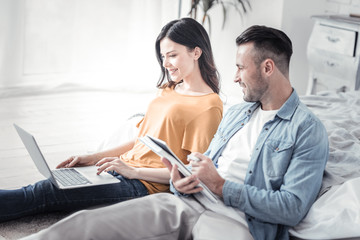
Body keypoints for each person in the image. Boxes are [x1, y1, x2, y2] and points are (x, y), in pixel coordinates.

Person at [21, 25, 329, 240]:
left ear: (267, 68)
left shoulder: (307, 130)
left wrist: (221, 187)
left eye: (240, 68)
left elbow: (291, 208)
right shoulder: (237, 113)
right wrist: (182, 178)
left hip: (240, 222)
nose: (234, 78)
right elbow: (203, 167)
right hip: (186, 201)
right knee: (81, 226)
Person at [0, 18, 223, 222]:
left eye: (172, 55)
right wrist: (92, 158)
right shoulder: (169, 89)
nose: (165, 64)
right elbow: (143, 140)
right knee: (48, 184)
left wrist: (133, 172)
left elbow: (193, 173)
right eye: (163, 56)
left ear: (196, 52)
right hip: (118, 169)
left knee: (44, 194)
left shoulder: (208, 106)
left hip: (142, 185)